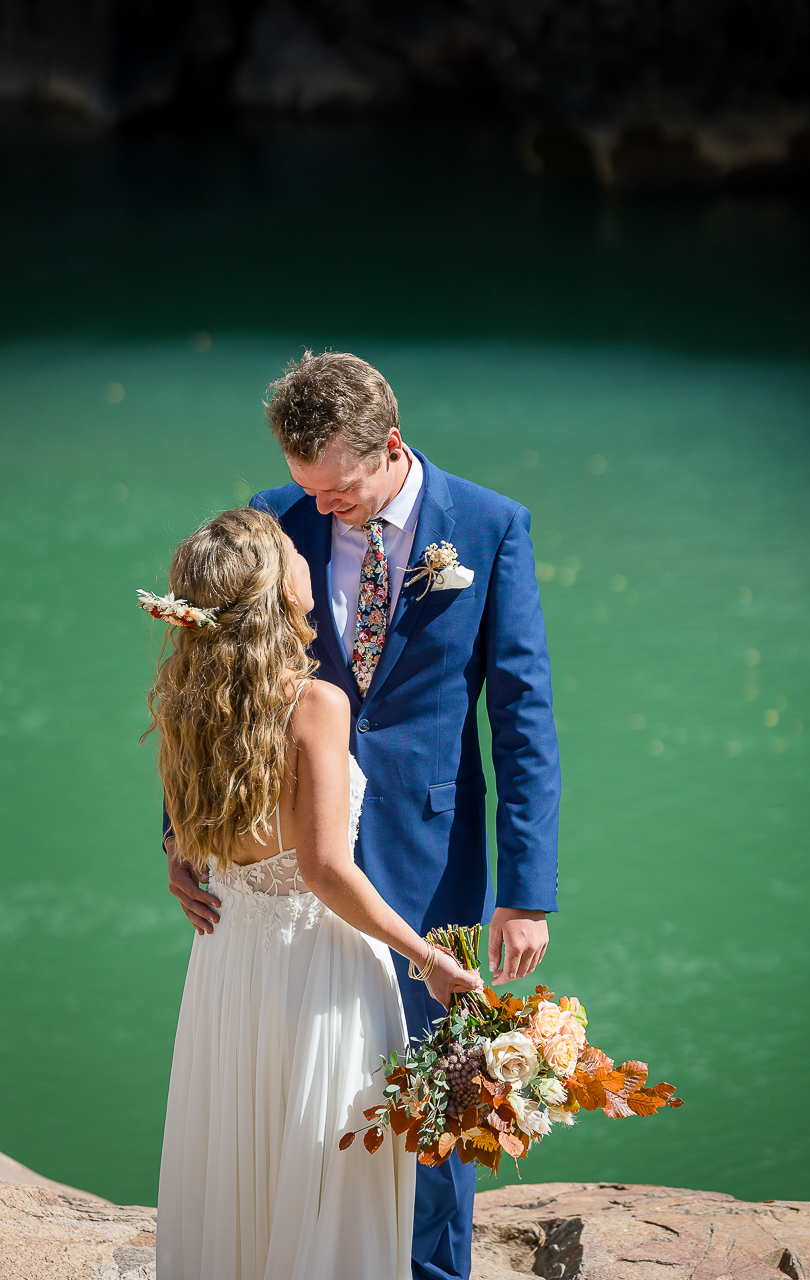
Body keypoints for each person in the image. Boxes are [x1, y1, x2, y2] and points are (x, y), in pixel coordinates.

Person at [166, 351, 561, 1280]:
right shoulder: (270, 519)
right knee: (304, 1096)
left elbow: (522, 715)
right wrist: (186, 836)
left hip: (433, 854)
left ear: (389, 446)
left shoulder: (490, 526)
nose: (324, 507)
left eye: (339, 492)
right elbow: (206, 684)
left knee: (439, 1088)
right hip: (287, 857)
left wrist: (526, 890)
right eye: (310, 491)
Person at [145, 507, 481, 1280]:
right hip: (315, 969)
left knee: (236, 1156)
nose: (307, 557)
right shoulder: (314, 704)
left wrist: (175, 854)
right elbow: (325, 869)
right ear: (278, 589)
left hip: (228, 961)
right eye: (294, 552)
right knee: (327, 1171)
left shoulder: (185, 698)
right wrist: (427, 957)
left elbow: (194, 822)